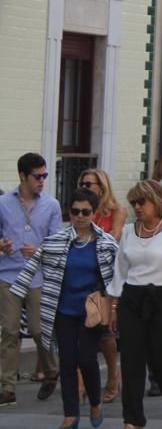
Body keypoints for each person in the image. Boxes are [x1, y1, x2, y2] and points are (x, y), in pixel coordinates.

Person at [10, 188, 118, 428]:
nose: (79, 216)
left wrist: (115, 307)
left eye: (85, 211)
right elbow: (33, 265)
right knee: (67, 361)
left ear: (94, 213)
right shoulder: (56, 241)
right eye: (75, 211)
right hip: (62, 310)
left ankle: (95, 401)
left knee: (88, 359)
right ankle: (70, 414)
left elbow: (117, 277)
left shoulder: (106, 243)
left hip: (92, 312)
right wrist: (16, 292)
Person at [108, 179, 162, 429]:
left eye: (142, 202)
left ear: (156, 202)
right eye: (134, 202)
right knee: (131, 360)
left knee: (161, 359)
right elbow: (120, 271)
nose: (138, 207)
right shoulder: (128, 231)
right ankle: (132, 420)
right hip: (132, 299)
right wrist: (113, 307)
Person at [0, 152, 62, 405]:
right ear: (23, 176)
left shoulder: (51, 205)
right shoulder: (3, 203)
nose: (42, 180)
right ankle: (7, 387)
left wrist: (39, 251)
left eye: (45, 175)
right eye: (37, 176)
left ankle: (51, 372)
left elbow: (58, 242)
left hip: (37, 276)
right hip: (9, 274)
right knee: (9, 331)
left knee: (39, 330)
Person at [77, 168, 125, 402]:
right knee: (82, 328)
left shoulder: (116, 211)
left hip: (105, 276)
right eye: (83, 183)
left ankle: (113, 376)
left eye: (90, 184)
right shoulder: (81, 210)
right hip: (83, 274)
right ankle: (81, 382)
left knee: (105, 333)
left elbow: (112, 238)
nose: (85, 187)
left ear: (101, 187)